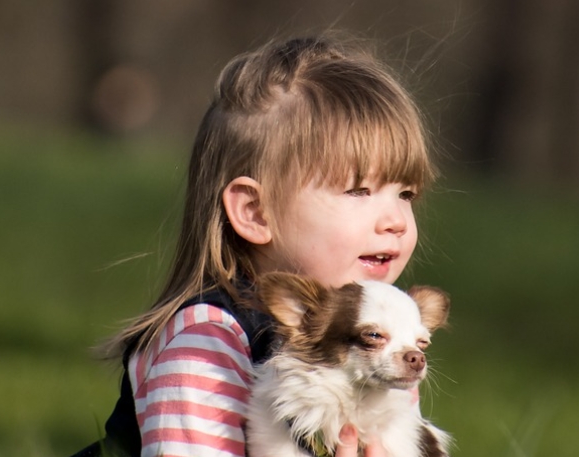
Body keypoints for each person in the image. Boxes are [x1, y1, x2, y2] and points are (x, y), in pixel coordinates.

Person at [74, 33, 437, 457]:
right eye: (358, 191)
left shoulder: (385, 342)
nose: (395, 220)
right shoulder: (205, 343)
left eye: (406, 194)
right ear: (255, 212)